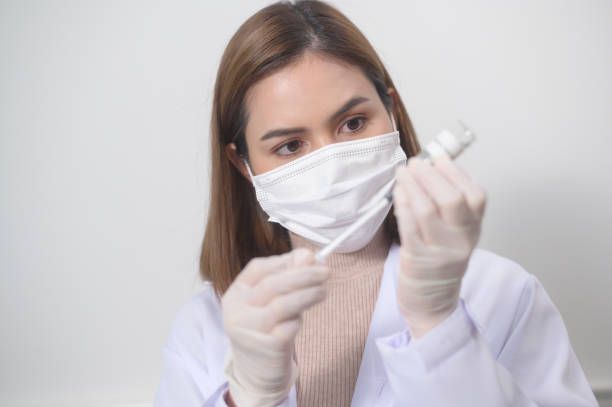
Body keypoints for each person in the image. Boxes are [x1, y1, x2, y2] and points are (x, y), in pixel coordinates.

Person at [152, 1, 598, 406]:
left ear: (393, 111)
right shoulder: (205, 328)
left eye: (353, 122)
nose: (331, 164)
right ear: (244, 164)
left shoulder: (501, 293)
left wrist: (439, 326)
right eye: (290, 146)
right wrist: (248, 395)